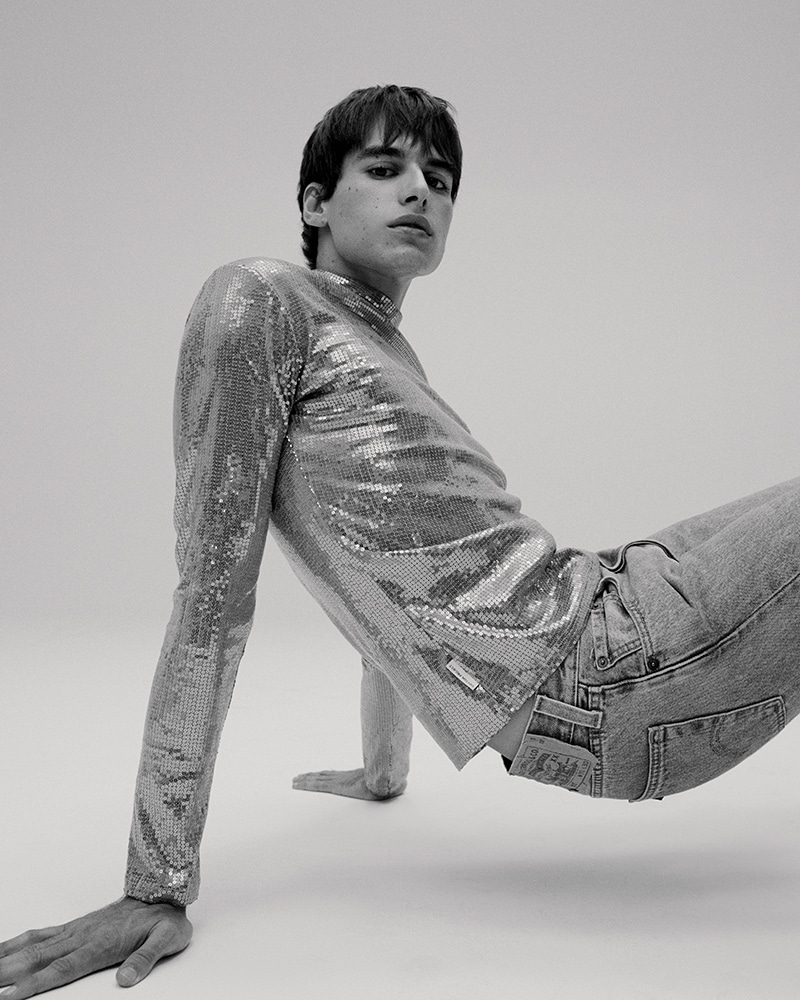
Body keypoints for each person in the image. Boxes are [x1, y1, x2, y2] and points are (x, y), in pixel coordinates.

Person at [1, 84, 797, 999]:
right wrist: (154, 883)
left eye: (440, 179)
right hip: (613, 674)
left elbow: (390, 567)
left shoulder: (383, 350)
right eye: (385, 169)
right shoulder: (258, 299)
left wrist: (384, 770)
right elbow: (212, 596)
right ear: (315, 202)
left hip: (616, 597)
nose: (421, 190)